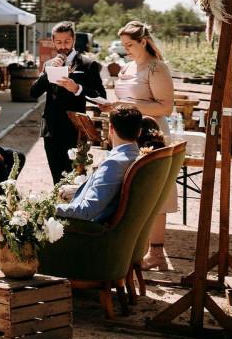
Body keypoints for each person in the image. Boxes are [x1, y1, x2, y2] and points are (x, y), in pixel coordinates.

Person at [98, 20, 176, 271]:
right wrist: (114, 106)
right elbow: (127, 98)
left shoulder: (156, 68)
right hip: (126, 132)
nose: (126, 49)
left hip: (150, 131)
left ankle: (157, 253)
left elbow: (165, 107)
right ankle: (134, 246)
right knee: (128, 188)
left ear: (144, 41)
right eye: (123, 45)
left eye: (130, 44)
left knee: (153, 188)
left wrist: (127, 107)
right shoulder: (128, 67)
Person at [30, 21, 106, 183]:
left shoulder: (88, 64)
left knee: (74, 178)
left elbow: (102, 96)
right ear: (53, 41)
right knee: (57, 179)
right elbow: (33, 93)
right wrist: (47, 73)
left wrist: (78, 88)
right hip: (50, 128)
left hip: (75, 130)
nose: (63, 46)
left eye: (66, 41)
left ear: (73, 40)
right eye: (58, 42)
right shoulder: (49, 64)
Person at [56, 106, 145, 223]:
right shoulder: (137, 156)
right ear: (139, 132)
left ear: (111, 129)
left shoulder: (114, 163)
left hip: (89, 231)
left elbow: (86, 210)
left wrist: (50, 209)